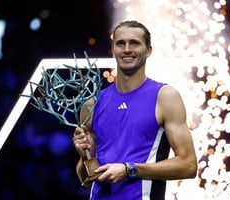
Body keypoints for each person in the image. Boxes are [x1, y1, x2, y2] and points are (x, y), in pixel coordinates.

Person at [72, 20, 197, 200]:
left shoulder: (165, 97)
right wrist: (85, 155)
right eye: (120, 43)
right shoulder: (92, 103)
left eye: (135, 43)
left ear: (148, 51)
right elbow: (86, 178)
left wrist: (130, 169)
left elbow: (189, 165)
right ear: (113, 49)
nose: (127, 49)